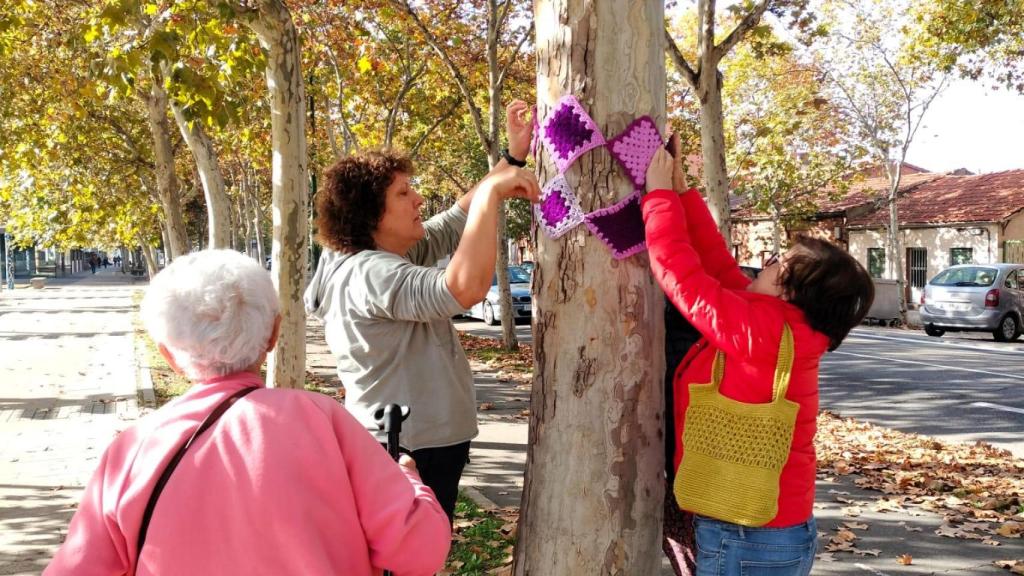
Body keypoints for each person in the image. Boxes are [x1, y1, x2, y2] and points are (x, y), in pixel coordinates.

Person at [46, 250, 451, 576]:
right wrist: (409, 480)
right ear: (274, 334)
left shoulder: (131, 450)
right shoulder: (324, 420)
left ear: (168, 355)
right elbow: (419, 552)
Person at [305, 100, 540, 523]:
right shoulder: (369, 273)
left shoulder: (382, 252)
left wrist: (512, 158)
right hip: (405, 450)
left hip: (421, 444)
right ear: (370, 214)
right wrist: (492, 193)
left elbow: (457, 219)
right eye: (403, 193)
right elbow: (462, 288)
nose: (418, 199)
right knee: (409, 563)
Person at [642, 147, 874, 576]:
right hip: (773, 530)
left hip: (746, 534)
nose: (764, 265)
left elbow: (683, 276)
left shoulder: (760, 330)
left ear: (788, 291)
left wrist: (657, 198)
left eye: (775, 263)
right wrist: (684, 195)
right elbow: (718, 266)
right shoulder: (782, 324)